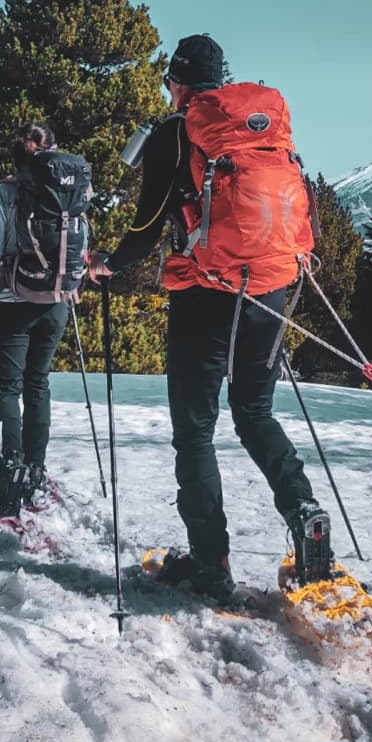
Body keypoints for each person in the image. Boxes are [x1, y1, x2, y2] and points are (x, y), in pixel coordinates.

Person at [89, 33, 330, 602]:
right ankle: (304, 510)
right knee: (254, 413)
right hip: (271, 290)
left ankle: (211, 565)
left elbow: (148, 226)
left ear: (177, 81)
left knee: (195, 430)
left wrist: (108, 263)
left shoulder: (176, 134)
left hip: (208, 293)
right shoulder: (261, 129)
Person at [0, 122, 74, 516]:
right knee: (38, 384)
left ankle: (12, 473)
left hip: (12, 299)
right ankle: (36, 469)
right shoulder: (70, 189)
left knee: (8, 387)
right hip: (55, 301)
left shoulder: (4, 192)